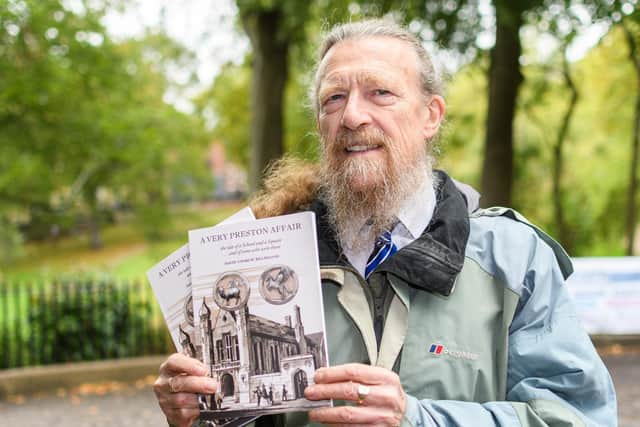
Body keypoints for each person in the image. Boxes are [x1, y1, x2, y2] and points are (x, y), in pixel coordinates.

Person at [153, 18, 617, 427]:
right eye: (334, 98)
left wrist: (419, 419)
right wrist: (199, 417)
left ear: (430, 116)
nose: (353, 115)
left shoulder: (513, 259)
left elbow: (574, 416)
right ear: (320, 124)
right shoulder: (268, 262)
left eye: (381, 93)